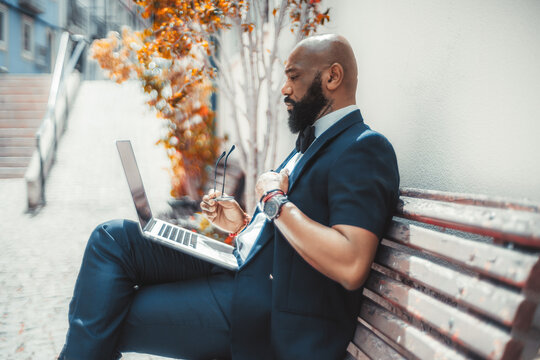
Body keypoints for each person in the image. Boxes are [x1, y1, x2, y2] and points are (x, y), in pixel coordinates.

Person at [59, 34, 399, 360]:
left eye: (293, 77)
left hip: (267, 309)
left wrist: (274, 201)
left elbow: (352, 262)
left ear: (332, 77)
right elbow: (291, 225)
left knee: (100, 309)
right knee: (112, 239)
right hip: (237, 265)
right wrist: (244, 224)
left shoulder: (363, 148)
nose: (284, 88)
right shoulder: (315, 143)